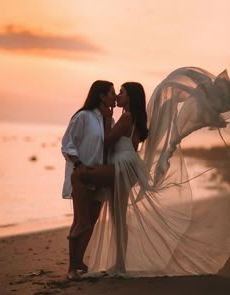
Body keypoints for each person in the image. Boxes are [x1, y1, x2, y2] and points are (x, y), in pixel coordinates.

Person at [77, 68, 230, 277]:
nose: (119, 96)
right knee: (118, 216)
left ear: (130, 97)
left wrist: (105, 119)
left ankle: (119, 265)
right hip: (130, 164)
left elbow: (107, 142)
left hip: (122, 165)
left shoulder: (126, 118)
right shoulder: (138, 120)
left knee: (116, 215)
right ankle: (119, 263)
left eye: (122, 92)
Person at [61, 80, 116, 280]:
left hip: (100, 176)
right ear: (102, 96)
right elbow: (67, 144)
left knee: (91, 221)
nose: (115, 96)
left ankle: (79, 261)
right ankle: (71, 267)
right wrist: (79, 165)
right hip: (84, 175)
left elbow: (110, 145)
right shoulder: (83, 116)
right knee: (80, 220)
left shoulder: (107, 118)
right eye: (111, 92)